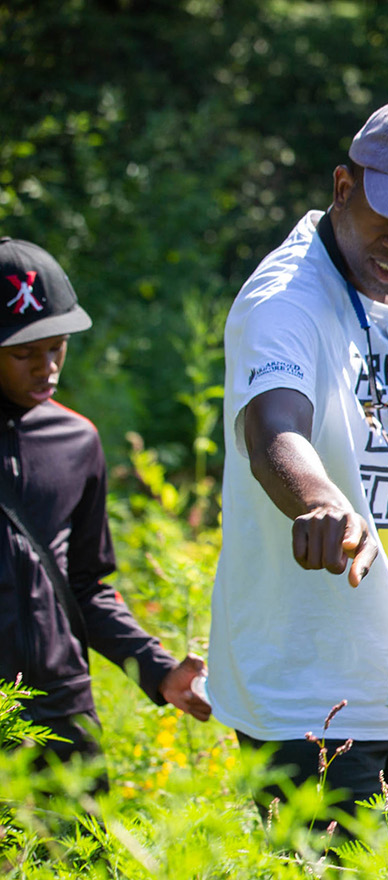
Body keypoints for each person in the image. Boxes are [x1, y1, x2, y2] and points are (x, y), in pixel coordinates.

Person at [209, 99, 388, 819]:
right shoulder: (283, 302)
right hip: (312, 695)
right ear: (342, 186)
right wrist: (320, 503)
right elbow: (274, 431)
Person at [0, 236, 210, 786]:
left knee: (83, 865)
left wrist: (159, 669)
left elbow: (86, 586)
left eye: (57, 346)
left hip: (61, 714)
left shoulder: (76, 442)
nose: (46, 367)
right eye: (23, 353)